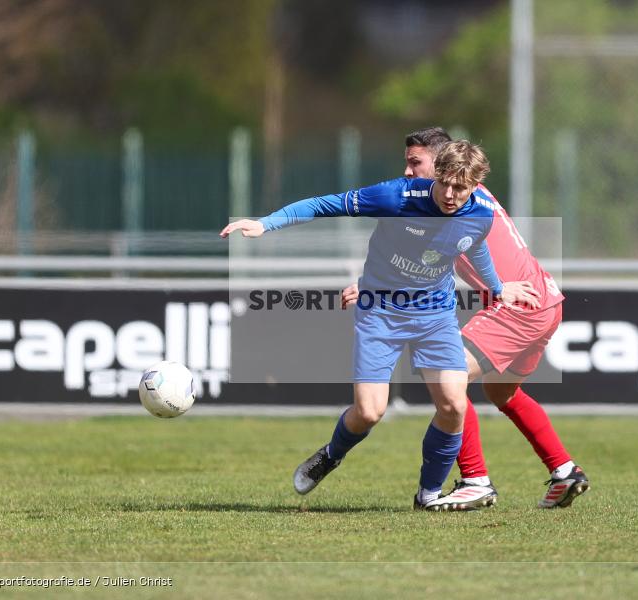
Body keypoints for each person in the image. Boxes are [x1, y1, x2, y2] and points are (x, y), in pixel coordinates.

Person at [221, 140, 540, 510]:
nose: (451, 195)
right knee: (370, 412)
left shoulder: (482, 212)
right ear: (436, 174)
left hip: (435, 316)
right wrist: (265, 224)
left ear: (475, 185)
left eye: (461, 188)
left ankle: (428, 495)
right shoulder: (396, 196)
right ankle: (331, 454)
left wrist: (497, 288)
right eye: (445, 184)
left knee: (454, 405)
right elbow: (326, 204)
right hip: (380, 312)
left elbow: (474, 244)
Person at [343, 127, 589, 509]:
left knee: (448, 381)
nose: (407, 172)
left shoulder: (454, 206)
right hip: (546, 301)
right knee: (501, 392)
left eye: (415, 163)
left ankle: (475, 479)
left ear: (443, 164)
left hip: (519, 306)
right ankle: (564, 470)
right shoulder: (459, 197)